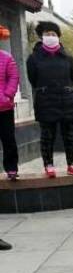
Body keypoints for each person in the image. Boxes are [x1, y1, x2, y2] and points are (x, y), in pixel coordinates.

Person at [26, 21, 73, 178]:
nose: (50, 37)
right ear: (41, 37)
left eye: (53, 34)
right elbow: (33, 79)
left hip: (66, 100)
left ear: (58, 37)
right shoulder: (34, 58)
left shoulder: (68, 57)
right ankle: (48, 165)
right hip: (45, 100)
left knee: (69, 135)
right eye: (47, 34)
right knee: (47, 136)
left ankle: (72, 163)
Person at [0, 48, 19, 181]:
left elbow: (14, 77)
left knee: (8, 139)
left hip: (4, 107)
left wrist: (7, 95)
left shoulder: (6, 57)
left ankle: (11, 168)